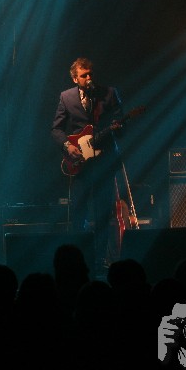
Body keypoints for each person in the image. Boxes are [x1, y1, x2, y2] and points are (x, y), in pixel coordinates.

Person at [50, 57, 126, 270]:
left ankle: (101, 259)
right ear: (75, 78)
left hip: (104, 160)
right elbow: (56, 129)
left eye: (91, 74)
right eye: (84, 75)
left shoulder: (109, 93)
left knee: (102, 213)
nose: (89, 78)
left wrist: (118, 127)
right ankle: (80, 257)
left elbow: (120, 123)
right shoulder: (66, 97)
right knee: (79, 211)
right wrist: (68, 146)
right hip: (80, 163)